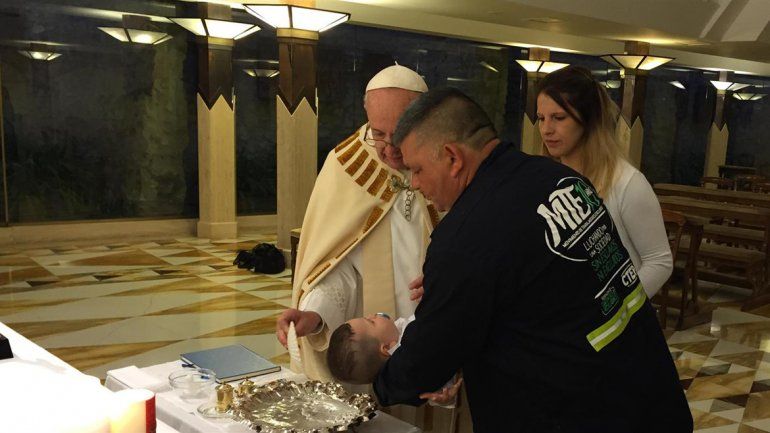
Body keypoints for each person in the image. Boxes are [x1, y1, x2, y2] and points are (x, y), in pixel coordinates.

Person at [373, 87, 693, 433]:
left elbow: (425, 364)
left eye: (417, 169)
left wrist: (380, 381)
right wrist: (457, 289)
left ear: (453, 157)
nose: (415, 184)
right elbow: (553, 294)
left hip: (573, 412)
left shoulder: (467, 236)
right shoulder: (562, 180)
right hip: (648, 395)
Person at [276, 65, 440, 382]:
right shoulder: (345, 166)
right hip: (369, 353)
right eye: (378, 133)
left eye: (401, 133)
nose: (389, 149)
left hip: (438, 338)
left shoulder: (447, 164)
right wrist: (315, 314)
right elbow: (338, 268)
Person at [536, 66, 672, 298]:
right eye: (541, 118)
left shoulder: (627, 183)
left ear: (587, 120)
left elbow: (659, 262)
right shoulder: (542, 176)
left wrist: (618, 307)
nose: (547, 129)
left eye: (558, 118)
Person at [327, 312, 462, 405]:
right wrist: (445, 396)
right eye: (371, 321)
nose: (372, 315)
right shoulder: (412, 364)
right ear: (386, 348)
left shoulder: (398, 336)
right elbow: (432, 383)